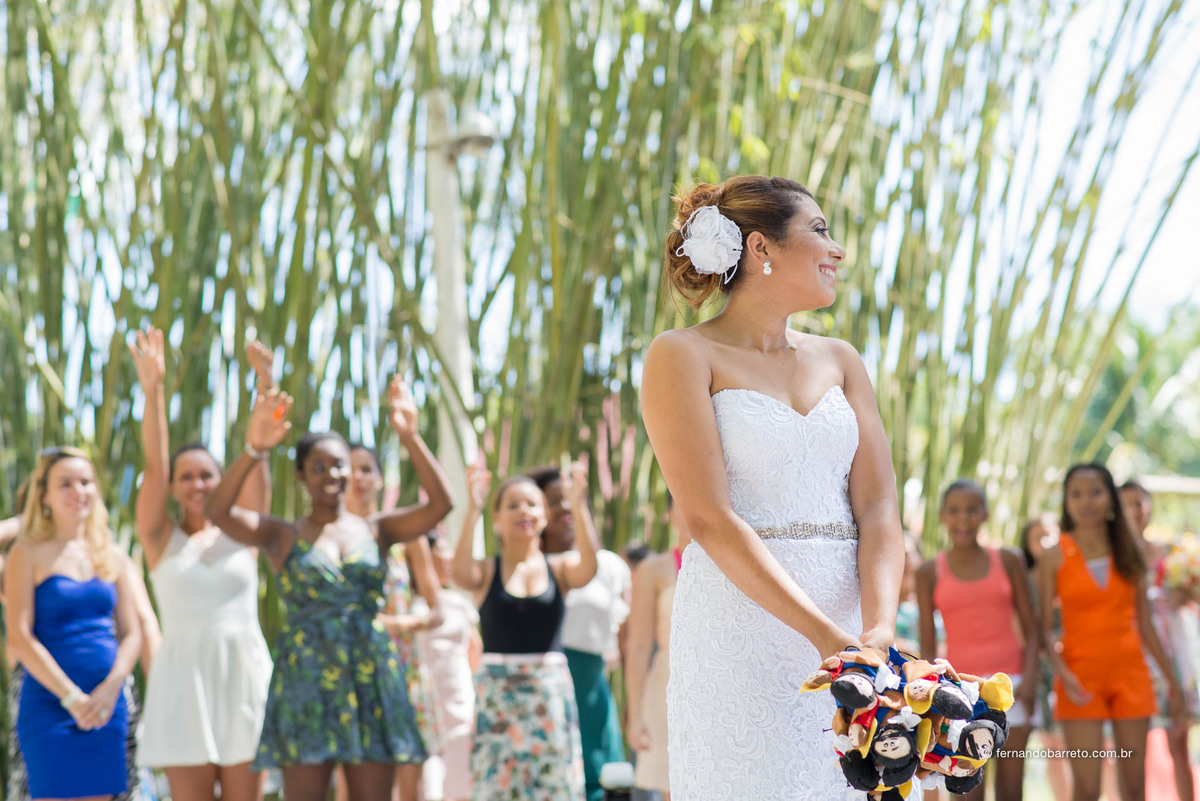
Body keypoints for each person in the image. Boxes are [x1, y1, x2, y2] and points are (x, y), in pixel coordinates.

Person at [639, 175, 905, 799]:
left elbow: (878, 506)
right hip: (740, 632)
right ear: (761, 248)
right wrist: (824, 636)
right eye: (819, 230)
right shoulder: (681, 354)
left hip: (852, 633)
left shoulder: (841, 359)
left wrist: (877, 631)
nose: (837, 249)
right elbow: (708, 518)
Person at [204, 377, 454, 801]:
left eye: (340, 465)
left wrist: (410, 437)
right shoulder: (281, 535)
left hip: (369, 674)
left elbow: (441, 505)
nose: (332, 474)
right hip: (306, 678)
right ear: (301, 474)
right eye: (318, 467)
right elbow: (219, 512)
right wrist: (255, 448)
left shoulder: (378, 530)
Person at [128, 327, 274, 801]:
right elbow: (154, 465)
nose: (197, 485)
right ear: (173, 487)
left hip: (243, 676)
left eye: (207, 475)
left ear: (221, 479)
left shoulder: (244, 532)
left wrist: (265, 384)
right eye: (186, 477)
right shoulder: (160, 538)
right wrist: (153, 388)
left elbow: (258, 454)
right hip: (182, 683)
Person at [452, 458, 598, 801]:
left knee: (554, 786)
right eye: (512, 505)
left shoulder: (559, 568)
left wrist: (578, 505)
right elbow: (460, 574)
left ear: (544, 516)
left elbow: (588, 569)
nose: (523, 511)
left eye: (532, 504)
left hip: (548, 696)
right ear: (497, 518)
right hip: (497, 698)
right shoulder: (487, 571)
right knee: (495, 787)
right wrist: (473, 509)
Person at [1037, 463, 1185, 801]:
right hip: (1079, 679)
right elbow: (1043, 629)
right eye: (1076, 494)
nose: (1086, 501)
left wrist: (1173, 683)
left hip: (1131, 675)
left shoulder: (1128, 549)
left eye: (1095, 492)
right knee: (1087, 790)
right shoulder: (1054, 554)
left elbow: (1146, 625)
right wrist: (1064, 675)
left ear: (1110, 499)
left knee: (1134, 788)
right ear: (1066, 501)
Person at [4, 447, 144, 800]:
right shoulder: (26, 553)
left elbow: (132, 633)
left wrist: (111, 688)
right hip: (50, 703)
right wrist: (71, 698)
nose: (77, 491)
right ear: (44, 495)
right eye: (65, 483)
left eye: (85, 482)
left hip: (107, 705)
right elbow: (20, 636)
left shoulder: (111, 554)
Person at [915, 480, 1041, 801]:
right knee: (966, 788)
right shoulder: (928, 572)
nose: (963, 519)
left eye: (972, 510)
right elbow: (928, 646)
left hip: (1011, 686)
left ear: (984, 514)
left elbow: (1032, 629)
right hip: (962, 692)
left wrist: (1029, 683)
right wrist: (932, 698)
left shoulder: (1009, 560)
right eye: (954, 511)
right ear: (943, 516)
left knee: (1011, 790)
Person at [346, 442, 445, 801]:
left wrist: (399, 625)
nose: (358, 477)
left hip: (405, 669)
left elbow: (437, 611)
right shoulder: (329, 536)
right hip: (351, 673)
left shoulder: (407, 535)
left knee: (410, 786)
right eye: (349, 468)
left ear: (379, 478)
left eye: (366, 469)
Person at [528, 465, 630, 801]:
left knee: (601, 783)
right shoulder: (524, 568)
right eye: (553, 500)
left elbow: (625, 640)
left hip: (591, 691)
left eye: (570, 498)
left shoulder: (609, 565)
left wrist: (633, 704)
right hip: (540, 691)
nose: (565, 507)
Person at [1120, 479, 1196, 801]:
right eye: (1126, 504)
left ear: (1149, 506)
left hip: (1172, 653)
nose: (1134, 511)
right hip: (1130, 656)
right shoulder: (1115, 557)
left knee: (1178, 739)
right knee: (1128, 750)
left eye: (1139, 503)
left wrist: (1186, 594)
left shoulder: (1172, 553)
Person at [624, 495, 691, 801]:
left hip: (720, 678)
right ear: (669, 513)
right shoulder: (653, 569)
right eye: (680, 502)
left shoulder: (732, 561)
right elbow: (638, 646)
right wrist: (636, 714)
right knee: (672, 787)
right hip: (668, 685)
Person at [415, 533, 481, 801]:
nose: (448, 558)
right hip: (422, 707)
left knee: (461, 785)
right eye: (441, 551)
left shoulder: (460, 603)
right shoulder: (408, 604)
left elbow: (475, 652)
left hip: (460, 705)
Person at [1019, 515, 1070, 801]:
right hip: (1039, 668)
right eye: (1038, 536)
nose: (1046, 541)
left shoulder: (1070, 574)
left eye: (1051, 535)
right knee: (1053, 745)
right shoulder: (1023, 580)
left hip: (1071, 663)